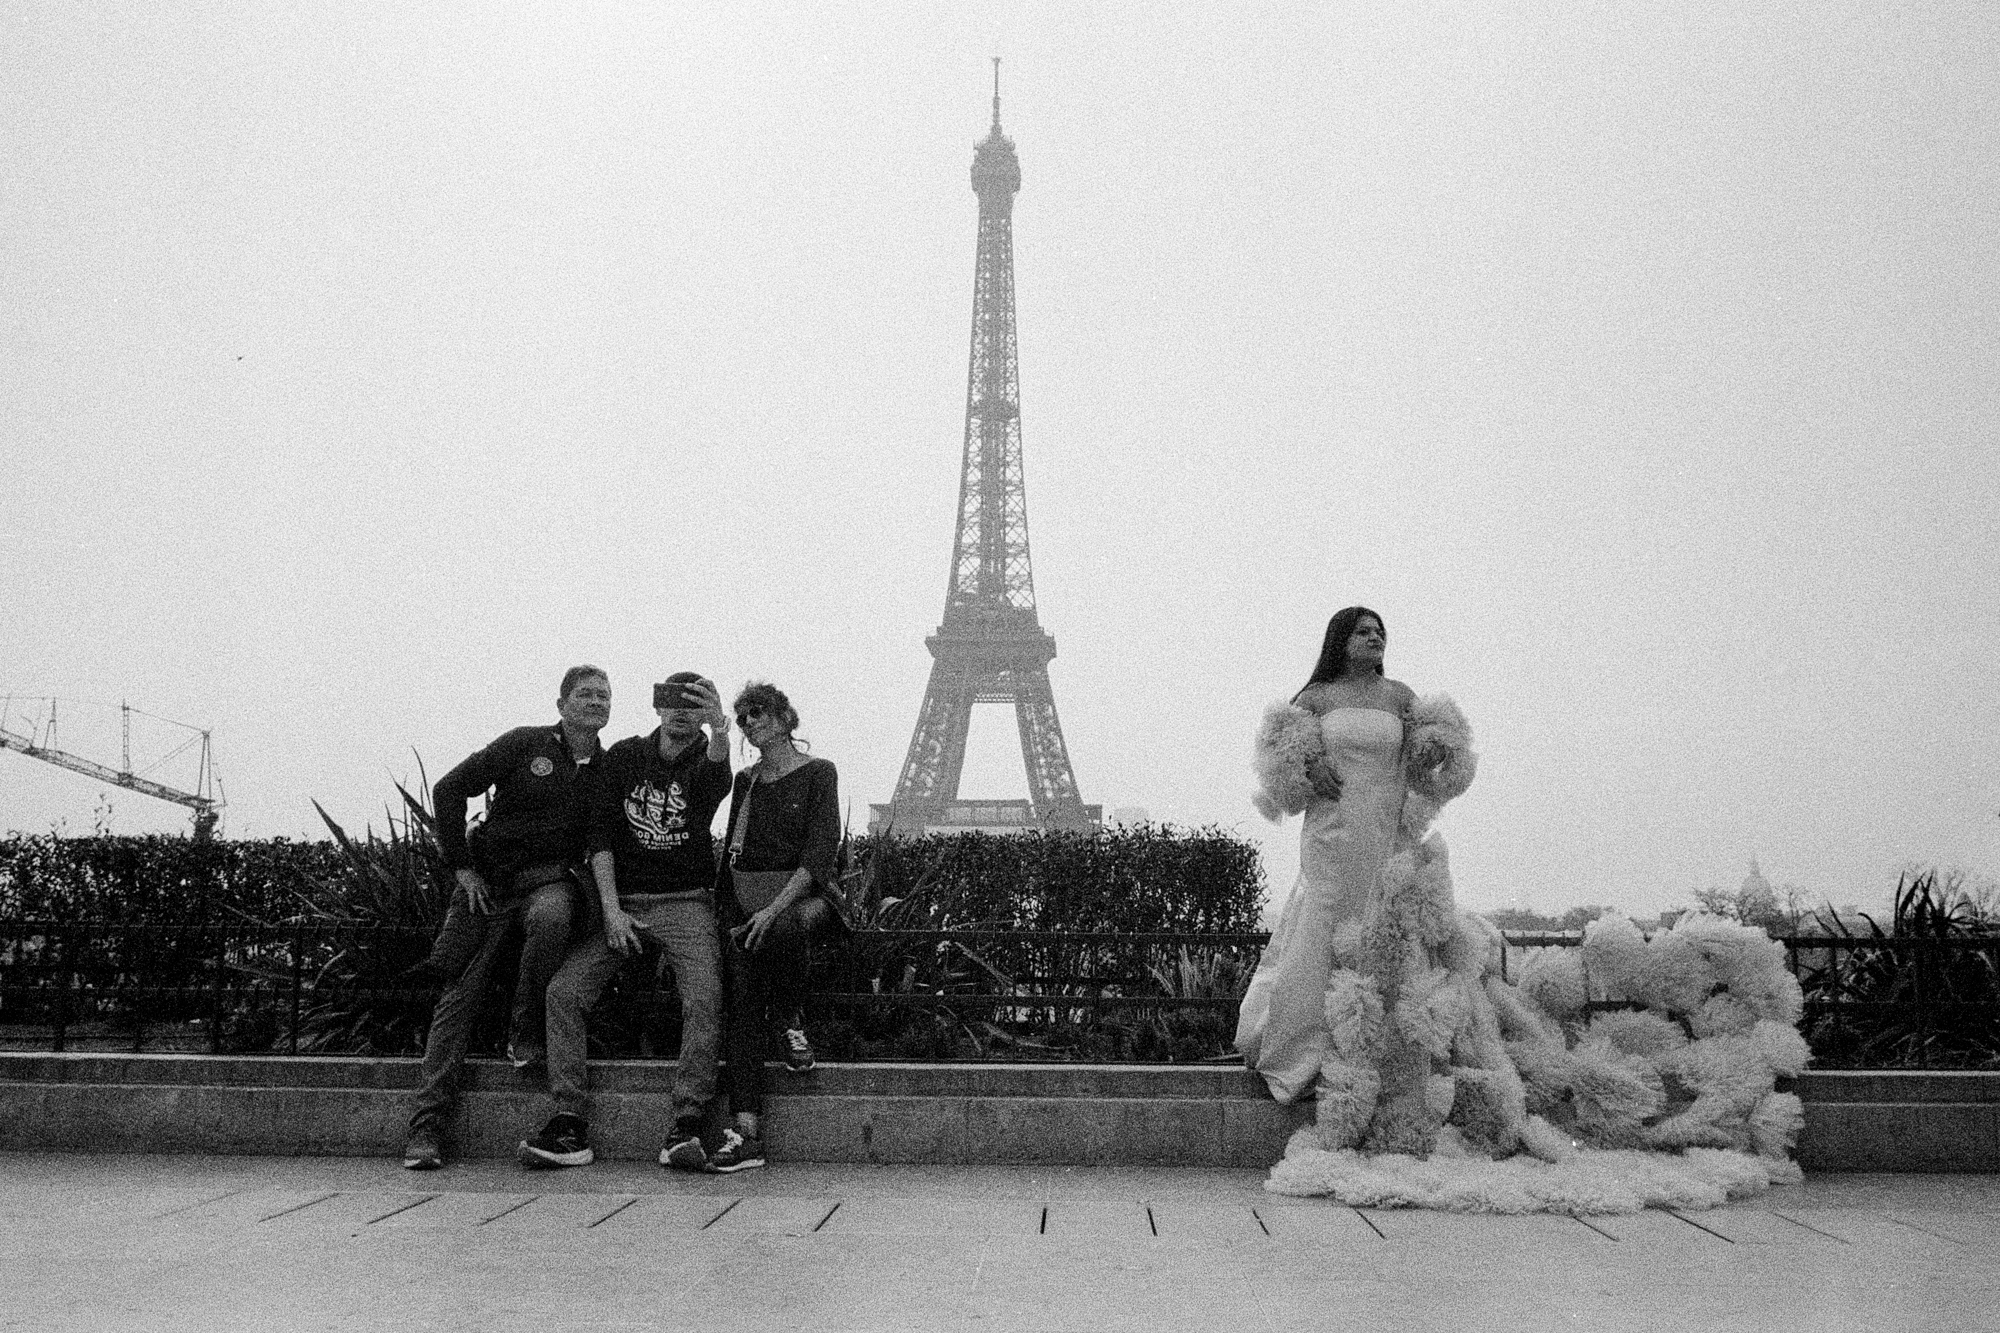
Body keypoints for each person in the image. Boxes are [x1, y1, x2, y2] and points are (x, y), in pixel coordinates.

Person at [518, 673, 733, 1171]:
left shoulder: (706, 760)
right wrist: (612, 911)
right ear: (657, 705)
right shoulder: (625, 757)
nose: (682, 712)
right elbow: (601, 838)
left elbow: (716, 778)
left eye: (694, 705)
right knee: (564, 992)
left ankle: (687, 1120)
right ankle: (568, 1120)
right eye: (673, 701)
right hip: (626, 901)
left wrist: (720, 728)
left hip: (685, 902)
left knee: (704, 997)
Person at [401, 665, 609, 1170]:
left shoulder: (608, 768)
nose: (596, 702)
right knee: (460, 996)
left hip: (549, 883)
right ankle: (426, 1127)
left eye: (604, 695)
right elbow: (450, 789)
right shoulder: (524, 743)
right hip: (490, 887)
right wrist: (462, 867)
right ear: (561, 704)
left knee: (555, 913)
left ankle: (525, 1027)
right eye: (585, 694)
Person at [1234, 608, 1416, 1103]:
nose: (1375, 637)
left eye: (1379, 630)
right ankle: (1306, 1053)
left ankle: (1375, 1053)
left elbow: (1432, 755)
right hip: (1332, 834)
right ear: (1340, 640)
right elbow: (1277, 759)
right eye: (1363, 631)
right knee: (1324, 922)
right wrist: (1308, 763)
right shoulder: (1315, 697)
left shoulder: (1402, 697)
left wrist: (1434, 753)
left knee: (1381, 923)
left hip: (1385, 832)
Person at [708, 681, 846, 1173]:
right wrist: (730, 915)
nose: (750, 722)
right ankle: (745, 1132)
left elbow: (819, 853)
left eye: (759, 711)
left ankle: (789, 1019)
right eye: (743, 716)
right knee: (743, 997)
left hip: (804, 901)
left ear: (786, 717)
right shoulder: (745, 781)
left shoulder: (819, 773)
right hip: (750, 902)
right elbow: (733, 851)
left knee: (782, 929)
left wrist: (771, 910)